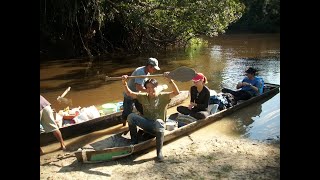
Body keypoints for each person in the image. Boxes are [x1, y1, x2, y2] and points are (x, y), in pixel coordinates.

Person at [121, 74, 180, 162]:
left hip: (158, 127)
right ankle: (134, 141)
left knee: (159, 122)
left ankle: (159, 153)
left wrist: (170, 80)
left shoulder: (163, 96)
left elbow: (176, 93)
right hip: (147, 124)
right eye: (148, 88)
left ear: (157, 88)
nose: (150, 90)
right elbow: (130, 93)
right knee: (131, 116)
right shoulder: (143, 97)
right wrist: (125, 83)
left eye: (152, 87)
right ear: (145, 89)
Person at [122, 57, 161, 123]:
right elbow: (138, 87)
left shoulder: (147, 71)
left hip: (138, 94)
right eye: (154, 68)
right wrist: (149, 91)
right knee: (127, 112)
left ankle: (145, 121)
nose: (154, 71)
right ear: (149, 66)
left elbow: (145, 85)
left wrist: (151, 89)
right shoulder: (141, 72)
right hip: (129, 94)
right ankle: (124, 125)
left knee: (142, 109)